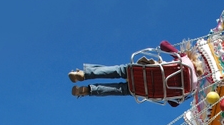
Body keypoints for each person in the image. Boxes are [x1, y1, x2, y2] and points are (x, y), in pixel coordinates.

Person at [69, 40, 202, 105]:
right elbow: (173, 103)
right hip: (145, 90)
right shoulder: (191, 89)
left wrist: (179, 53)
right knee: (121, 90)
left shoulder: (186, 61)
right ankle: (87, 91)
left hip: (143, 72)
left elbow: (163, 44)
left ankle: (84, 74)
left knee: (118, 70)